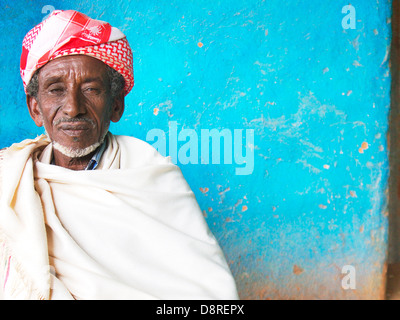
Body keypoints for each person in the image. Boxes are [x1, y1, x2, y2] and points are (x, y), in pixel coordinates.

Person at [0, 10, 239, 300]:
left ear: (116, 105)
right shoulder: (11, 181)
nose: (73, 107)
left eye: (91, 89)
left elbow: (209, 293)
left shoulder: (149, 173)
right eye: (56, 90)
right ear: (35, 108)